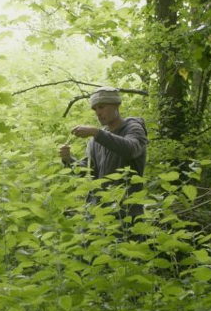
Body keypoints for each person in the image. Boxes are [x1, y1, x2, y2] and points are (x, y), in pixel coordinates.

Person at [59, 87, 148, 220]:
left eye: (101, 107)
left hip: (127, 211)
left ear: (117, 105)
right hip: (97, 212)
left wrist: (96, 133)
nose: (98, 113)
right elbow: (87, 170)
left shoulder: (133, 128)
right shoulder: (96, 139)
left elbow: (131, 149)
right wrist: (68, 159)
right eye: (95, 109)